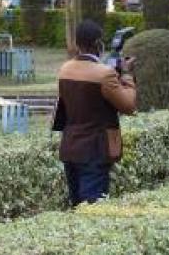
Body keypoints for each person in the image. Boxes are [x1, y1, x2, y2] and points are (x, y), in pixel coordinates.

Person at [55, 20, 136, 206]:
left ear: (77, 44)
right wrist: (127, 75)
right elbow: (129, 105)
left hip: (70, 146)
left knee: (76, 206)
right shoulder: (104, 74)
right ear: (99, 44)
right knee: (93, 206)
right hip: (95, 150)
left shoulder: (64, 69)